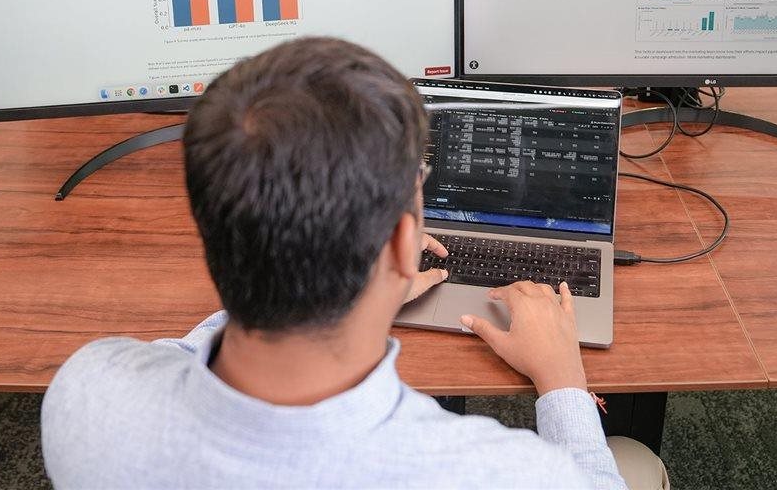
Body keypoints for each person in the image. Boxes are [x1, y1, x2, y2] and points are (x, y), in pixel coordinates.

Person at [40, 37, 670, 490]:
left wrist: (347, 289)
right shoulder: (509, 474)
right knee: (634, 461)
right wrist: (562, 379)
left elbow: (177, 356)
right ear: (401, 246)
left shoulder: (85, 393)